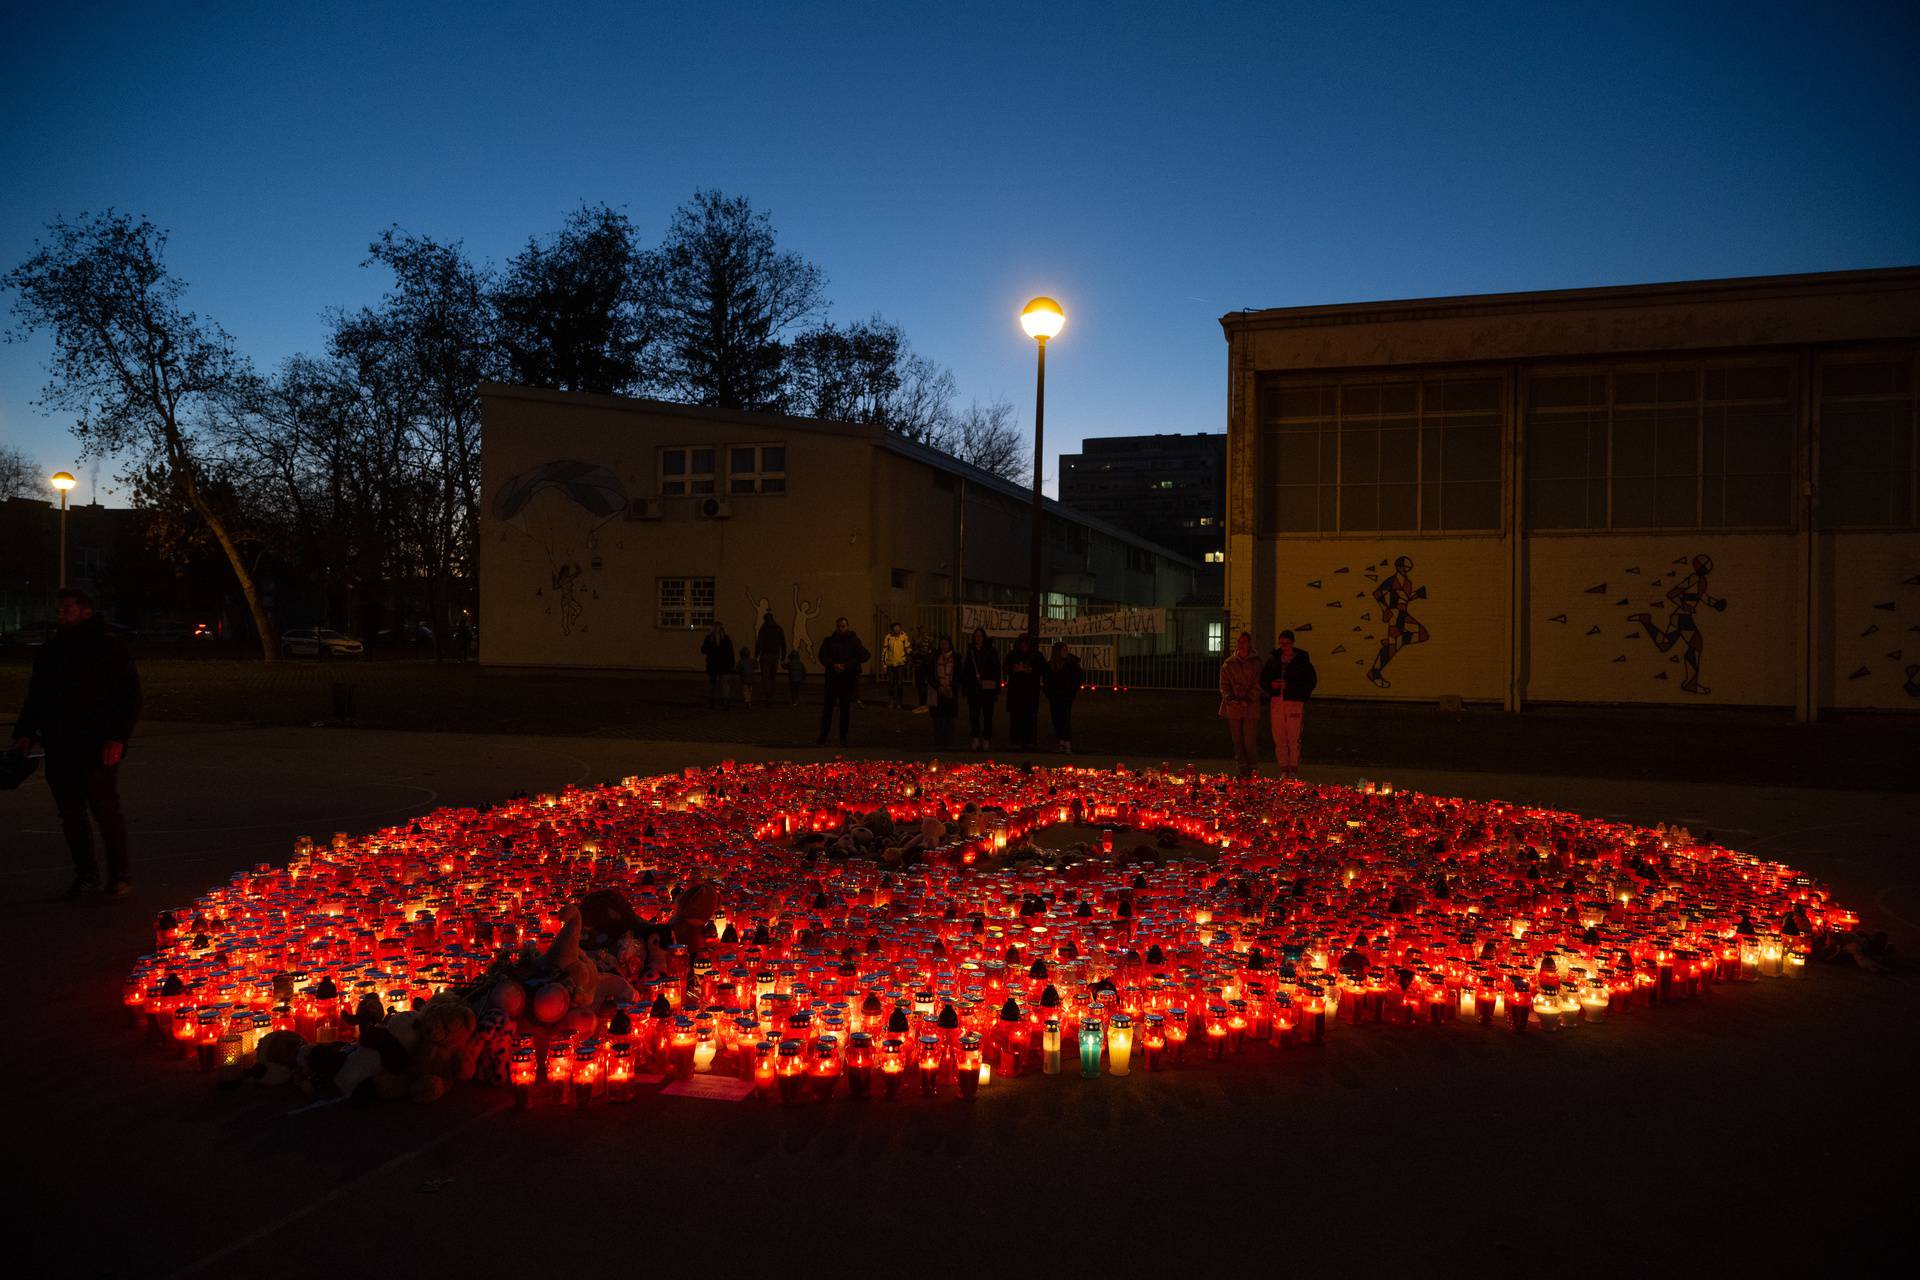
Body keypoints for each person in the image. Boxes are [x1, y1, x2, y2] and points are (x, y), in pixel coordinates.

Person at [12, 588, 142, 900]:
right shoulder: (51, 651)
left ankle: (119, 873)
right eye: (58, 610)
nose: (60, 615)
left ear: (85, 611)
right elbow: (37, 696)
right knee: (71, 814)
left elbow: (128, 696)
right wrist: (25, 732)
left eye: (66, 610)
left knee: (104, 809)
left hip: (96, 743)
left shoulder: (108, 647)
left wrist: (118, 737)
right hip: (59, 742)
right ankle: (86, 874)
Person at [1260, 629, 1317, 780]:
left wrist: (1290, 687)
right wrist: (1271, 685)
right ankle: (1283, 769)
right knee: (1279, 737)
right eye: (1282, 644)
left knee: (1293, 738)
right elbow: (1263, 679)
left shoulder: (1301, 661)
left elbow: (1310, 682)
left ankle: (1293, 769)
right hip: (1277, 702)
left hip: (1294, 702)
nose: (1284, 646)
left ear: (1292, 643)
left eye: (1287, 643)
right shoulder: (1274, 660)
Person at [815, 616, 870, 747]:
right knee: (828, 710)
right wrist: (834, 665)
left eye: (843, 626)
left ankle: (842, 738)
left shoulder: (854, 641)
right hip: (833, 680)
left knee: (844, 711)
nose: (840, 628)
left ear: (847, 627)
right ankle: (823, 737)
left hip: (846, 680)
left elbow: (865, 655)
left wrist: (847, 665)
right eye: (839, 626)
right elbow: (822, 656)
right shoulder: (829, 641)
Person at [1218, 630, 1263, 778]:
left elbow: (1258, 684)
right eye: (1239, 642)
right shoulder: (1229, 664)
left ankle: (1253, 768)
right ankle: (1242, 768)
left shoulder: (1256, 663)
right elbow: (1224, 685)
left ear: (1249, 643)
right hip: (1235, 707)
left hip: (1249, 707)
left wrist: (1248, 699)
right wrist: (1230, 699)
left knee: (1249, 740)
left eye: (1244, 642)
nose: (1241, 645)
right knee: (1237, 740)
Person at [960, 627, 1002, 751]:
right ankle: (975, 738)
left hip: (987, 687)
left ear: (984, 637)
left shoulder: (991, 651)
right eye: (976, 636)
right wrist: (966, 686)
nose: (978, 638)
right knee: (974, 715)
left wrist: (995, 686)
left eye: (980, 636)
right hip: (974, 688)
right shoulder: (971, 650)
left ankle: (986, 739)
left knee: (988, 715)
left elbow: (996, 669)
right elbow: (967, 670)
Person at [1004, 633, 1043, 750]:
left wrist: (1028, 669)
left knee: (1029, 718)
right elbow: (1006, 667)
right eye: (1022, 644)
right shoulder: (1012, 655)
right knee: (1016, 718)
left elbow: (1041, 668)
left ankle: (1028, 741)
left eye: (1026, 644)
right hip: (1016, 692)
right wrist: (1014, 668)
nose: (1024, 646)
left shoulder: (1036, 656)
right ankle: (1015, 741)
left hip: (1030, 692)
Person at [1043, 641, 1083, 754]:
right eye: (1063, 650)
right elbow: (1047, 681)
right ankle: (1061, 741)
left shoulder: (1071, 665)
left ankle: (1067, 743)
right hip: (1055, 696)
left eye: (1066, 650)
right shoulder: (1050, 665)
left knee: (1065, 718)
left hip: (1066, 696)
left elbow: (1077, 679)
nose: (1066, 652)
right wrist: (1049, 693)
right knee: (1056, 719)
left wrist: (1072, 691)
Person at [930, 634, 959, 748]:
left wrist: (952, 686)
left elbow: (958, 675)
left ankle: (949, 742)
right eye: (942, 644)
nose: (944, 646)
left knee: (950, 719)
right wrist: (938, 686)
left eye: (945, 644)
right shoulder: (935, 657)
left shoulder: (956, 658)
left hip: (951, 691)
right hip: (938, 691)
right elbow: (931, 675)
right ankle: (938, 742)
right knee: (938, 719)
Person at [754, 610, 787, 704]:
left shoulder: (763, 629)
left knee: (765, 677)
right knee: (773, 676)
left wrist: (756, 656)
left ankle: (767, 695)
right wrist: (783, 657)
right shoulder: (778, 629)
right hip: (776, 655)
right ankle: (771, 695)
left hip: (765, 655)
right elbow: (783, 644)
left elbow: (759, 643)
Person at [700, 621, 733, 708]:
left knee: (712, 683)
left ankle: (711, 701)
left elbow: (703, 650)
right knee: (725, 683)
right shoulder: (726, 639)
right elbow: (730, 653)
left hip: (713, 664)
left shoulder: (709, 638)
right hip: (724, 664)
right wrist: (731, 664)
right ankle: (725, 701)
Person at [882, 622, 912, 710]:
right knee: (891, 683)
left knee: (900, 684)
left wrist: (907, 657)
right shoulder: (888, 637)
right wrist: (884, 664)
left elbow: (907, 648)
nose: (897, 629)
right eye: (895, 628)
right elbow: (885, 651)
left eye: (898, 627)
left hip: (900, 664)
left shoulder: (904, 637)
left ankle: (899, 702)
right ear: (892, 629)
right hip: (890, 664)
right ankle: (891, 700)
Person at [911, 625, 935, 712]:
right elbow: (913, 651)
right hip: (920, 665)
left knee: (923, 685)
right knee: (921, 685)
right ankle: (924, 704)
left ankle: (924, 705)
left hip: (925, 665)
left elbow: (930, 652)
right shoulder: (917, 640)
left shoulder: (928, 640)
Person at [736, 645, 756, 710]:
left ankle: (746, 700)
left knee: (745, 690)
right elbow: (756, 666)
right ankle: (749, 700)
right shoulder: (751, 661)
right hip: (751, 678)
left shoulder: (741, 662)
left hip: (744, 678)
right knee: (750, 690)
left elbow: (738, 669)